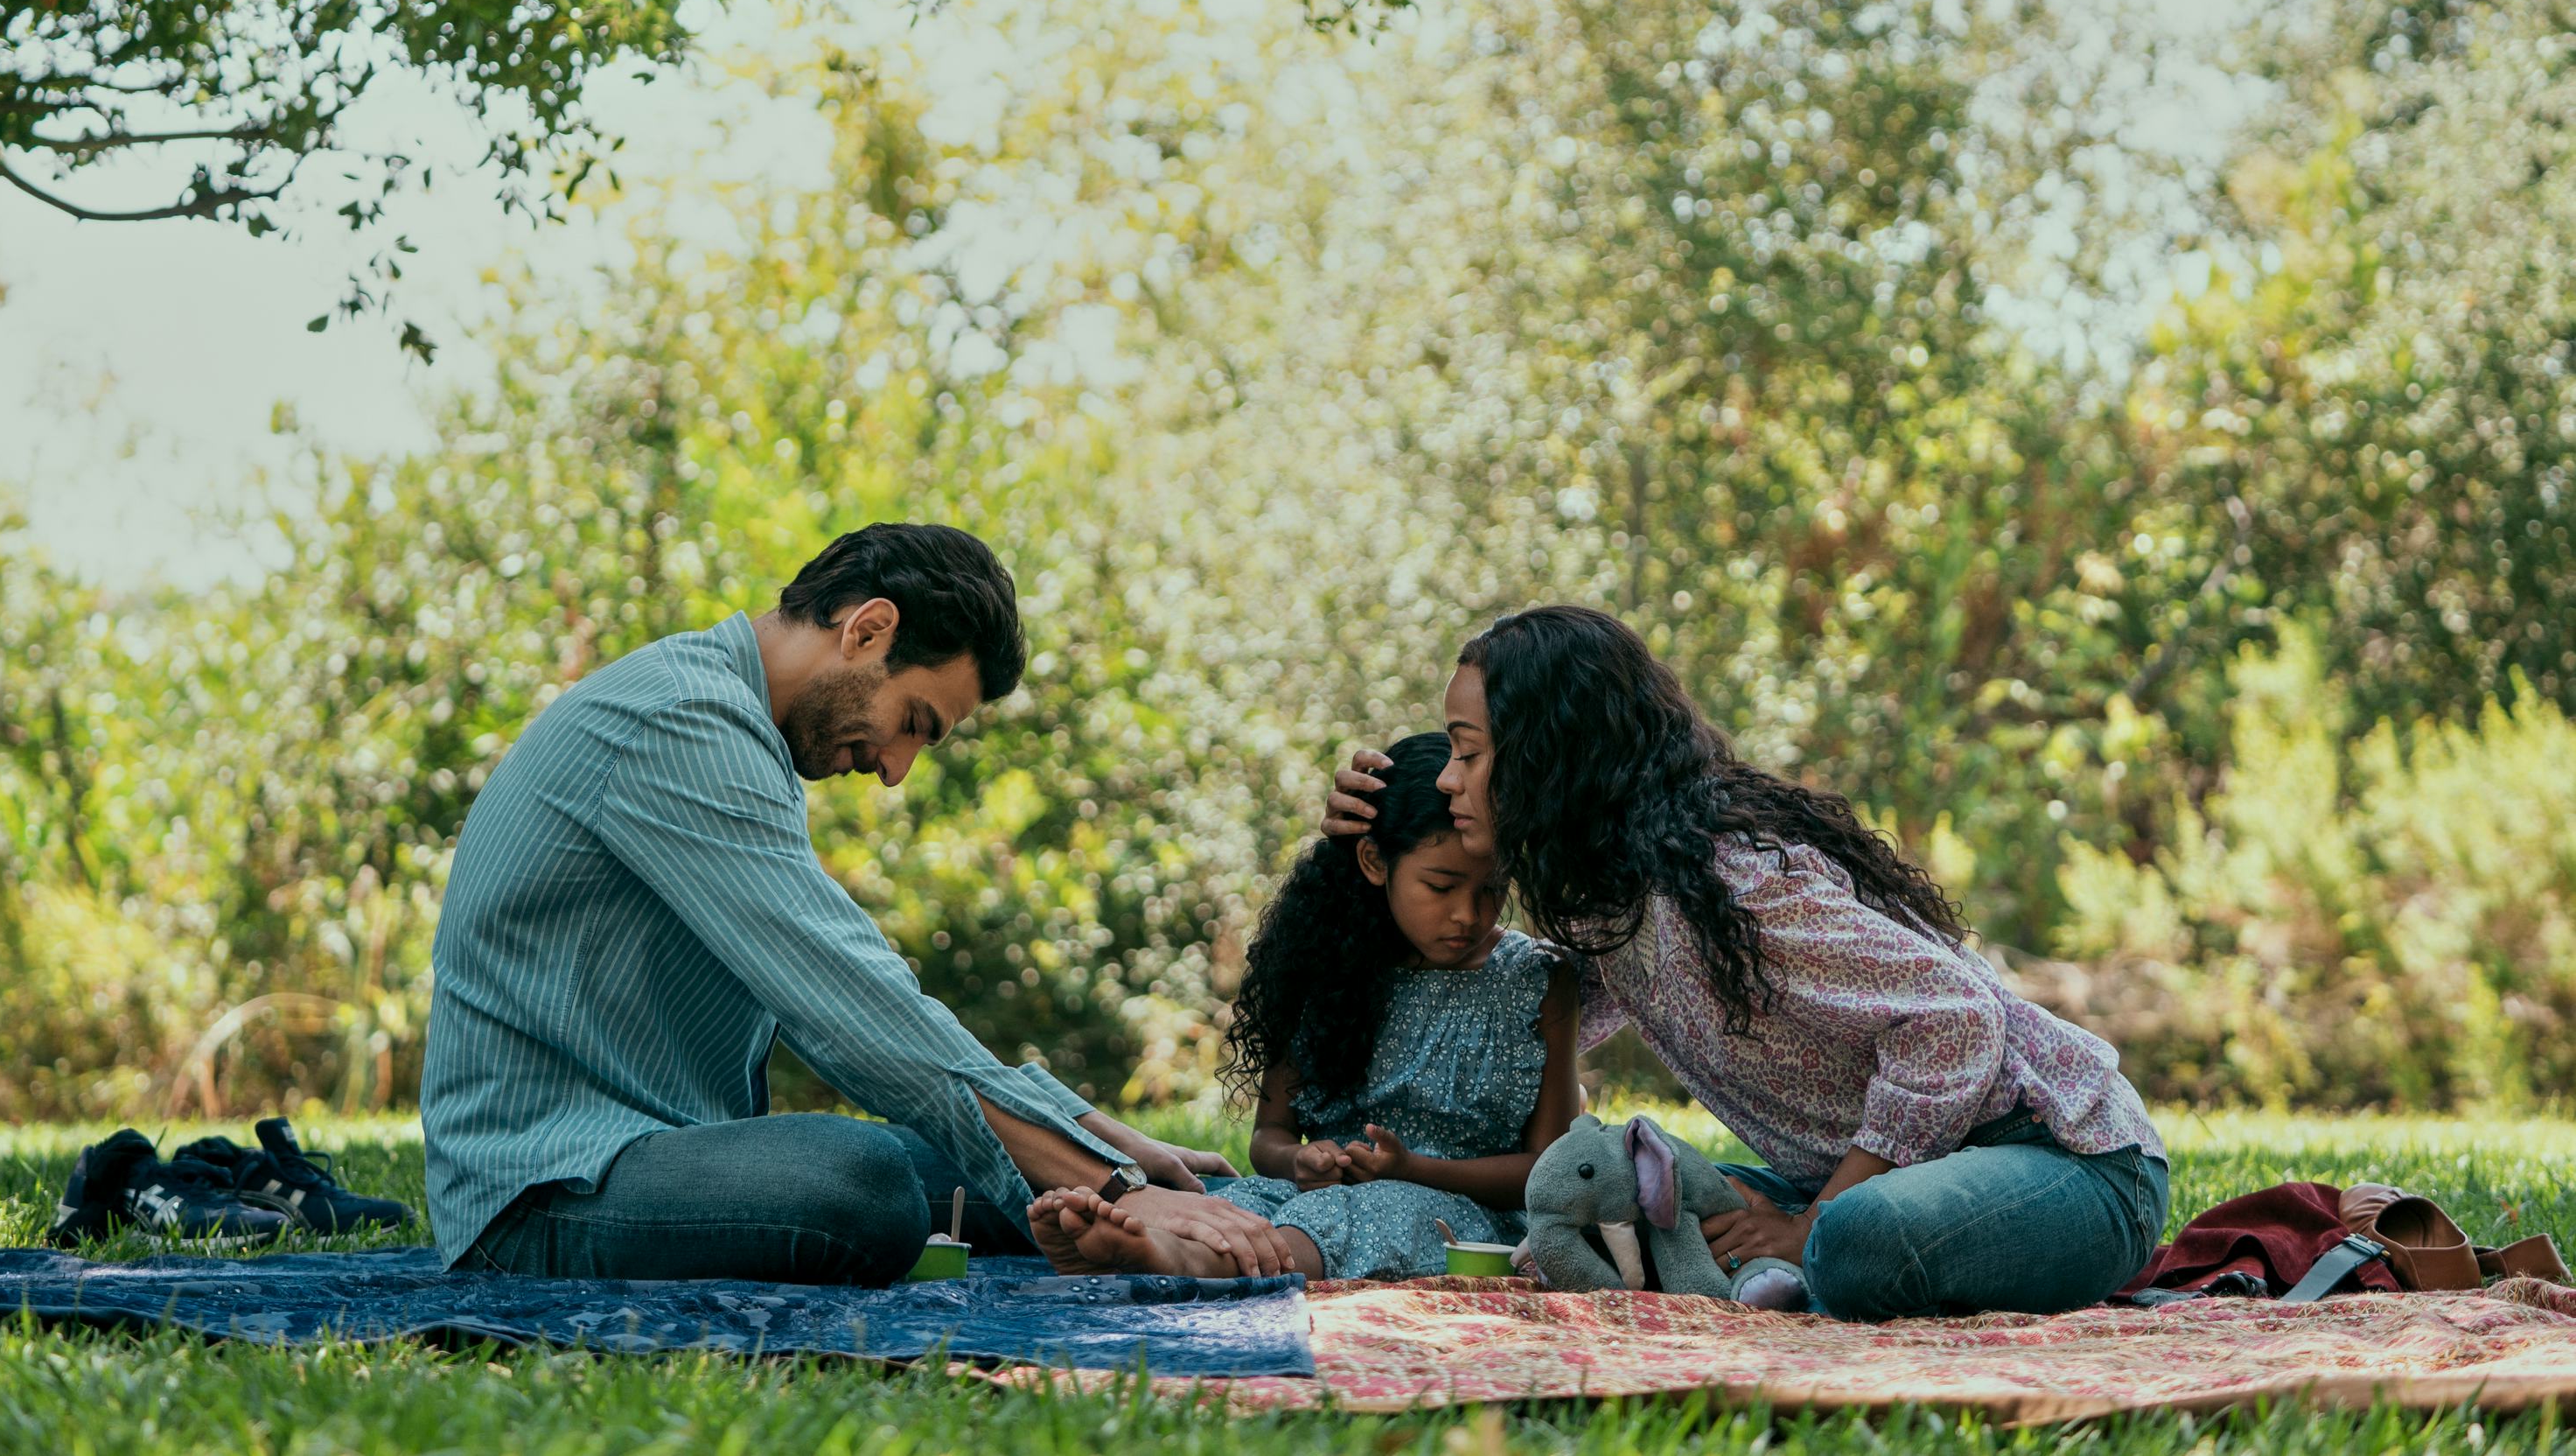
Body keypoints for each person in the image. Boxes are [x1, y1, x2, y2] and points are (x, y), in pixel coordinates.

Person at [422, 522, 1289, 1285]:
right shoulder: (681, 721)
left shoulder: (725, 719)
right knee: (865, 1181)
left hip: (650, 1151)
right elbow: (848, 1000)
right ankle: (1130, 1204)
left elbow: (869, 991)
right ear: (868, 628)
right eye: (915, 719)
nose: (897, 766)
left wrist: (1094, 1138)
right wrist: (1109, 1179)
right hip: (542, 1189)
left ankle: (1216, 1219)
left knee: (996, 1170)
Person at [1320, 606, 2169, 1320]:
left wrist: (1816, 1219)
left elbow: (1955, 1021)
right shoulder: (1608, 905)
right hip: (1855, 1182)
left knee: (1850, 1241)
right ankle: (1780, 1254)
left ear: (1545, 753)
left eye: (1467, 752)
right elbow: (1499, 1007)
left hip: (2068, 1162)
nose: (1449, 782)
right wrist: (1364, 850)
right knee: (1589, 1206)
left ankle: (1800, 1249)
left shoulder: (1732, 881)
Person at [1028, 733, 1579, 1279]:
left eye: (1492, 889)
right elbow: (1269, 1137)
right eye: (1440, 886)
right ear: (1374, 861)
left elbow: (1550, 1173)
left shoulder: (1538, 980)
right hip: (1308, 1197)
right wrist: (1298, 1161)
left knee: (1369, 1213)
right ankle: (1159, 1238)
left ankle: (1182, 1261)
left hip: (1459, 1218)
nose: (1467, 914)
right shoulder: (1326, 967)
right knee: (1240, 1202)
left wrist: (1416, 1169)